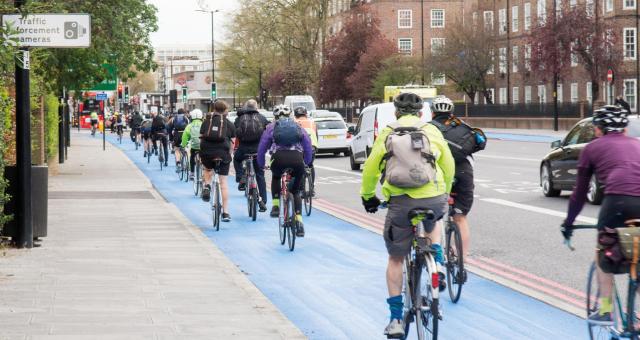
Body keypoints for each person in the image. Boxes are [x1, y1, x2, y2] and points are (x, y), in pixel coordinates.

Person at [359, 93, 455, 339]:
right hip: (433, 197)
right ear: (421, 113)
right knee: (434, 218)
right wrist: (444, 189)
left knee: (395, 259)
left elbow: (371, 167)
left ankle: (395, 320)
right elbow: (448, 163)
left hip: (400, 202)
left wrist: (368, 195)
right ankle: (438, 263)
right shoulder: (431, 131)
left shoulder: (388, 132)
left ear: (396, 112)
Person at [561, 105, 640, 325]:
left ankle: (605, 310)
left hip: (617, 203)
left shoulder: (592, 148)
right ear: (625, 128)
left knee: (603, 255)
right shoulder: (638, 145)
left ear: (598, 129)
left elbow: (578, 194)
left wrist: (568, 224)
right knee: (639, 257)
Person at [429, 96, 486, 263]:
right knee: (460, 218)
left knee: (432, 214)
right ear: (451, 112)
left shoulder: (428, 129)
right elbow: (480, 143)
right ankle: (462, 259)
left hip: (437, 173)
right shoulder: (463, 127)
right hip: (463, 173)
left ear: (432, 113)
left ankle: (433, 254)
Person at [257, 105, 313, 237]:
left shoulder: (271, 128)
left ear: (275, 117)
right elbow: (308, 146)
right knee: (296, 191)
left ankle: (276, 206)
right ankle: (299, 222)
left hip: (279, 158)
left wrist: (260, 164)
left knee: (276, 177)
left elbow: (262, 148)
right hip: (297, 159)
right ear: (290, 116)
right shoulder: (298, 126)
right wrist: (307, 162)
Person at [200, 100, 236, 222]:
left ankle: (207, 186)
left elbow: (201, 139)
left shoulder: (206, 122)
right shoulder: (229, 124)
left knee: (207, 169)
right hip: (223, 153)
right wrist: (229, 154)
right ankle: (225, 213)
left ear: (214, 109)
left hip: (207, 152)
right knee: (223, 182)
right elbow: (233, 143)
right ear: (225, 110)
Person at [233, 99, 269, 212]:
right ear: (256, 107)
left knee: (237, 159)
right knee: (260, 175)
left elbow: (235, 133)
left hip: (243, 149)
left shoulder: (240, 118)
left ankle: (241, 177)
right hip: (258, 150)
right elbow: (268, 132)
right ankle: (263, 201)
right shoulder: (262, 118)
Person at [293, 106, 318, 197]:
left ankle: (301, 189)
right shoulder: (312, 122)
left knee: (299, 168)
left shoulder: (294, 123)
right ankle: (312, 188)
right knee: (310, 166)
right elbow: (316, 136)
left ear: (295, 115)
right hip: (312, 148)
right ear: (306, 114)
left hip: (299, 149)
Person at [181, 108, 204, 181]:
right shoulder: (204, 124)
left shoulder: (189, 126)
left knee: (192, 156)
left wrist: (183, 145)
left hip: (194, 146)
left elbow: (185, 136)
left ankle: (192, 173)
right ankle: (204, 171)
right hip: (203, 146)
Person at [168, 108, 190, 173]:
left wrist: (171, 139)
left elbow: (169, 129)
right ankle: (188, 163)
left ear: (178, 113)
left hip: (177, 135)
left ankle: (178, 163)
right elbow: (189, 128)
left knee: (176, 149)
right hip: (185, 134)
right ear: (184, 113)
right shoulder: (186, 118)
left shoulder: (173, 119)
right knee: (187, 148)